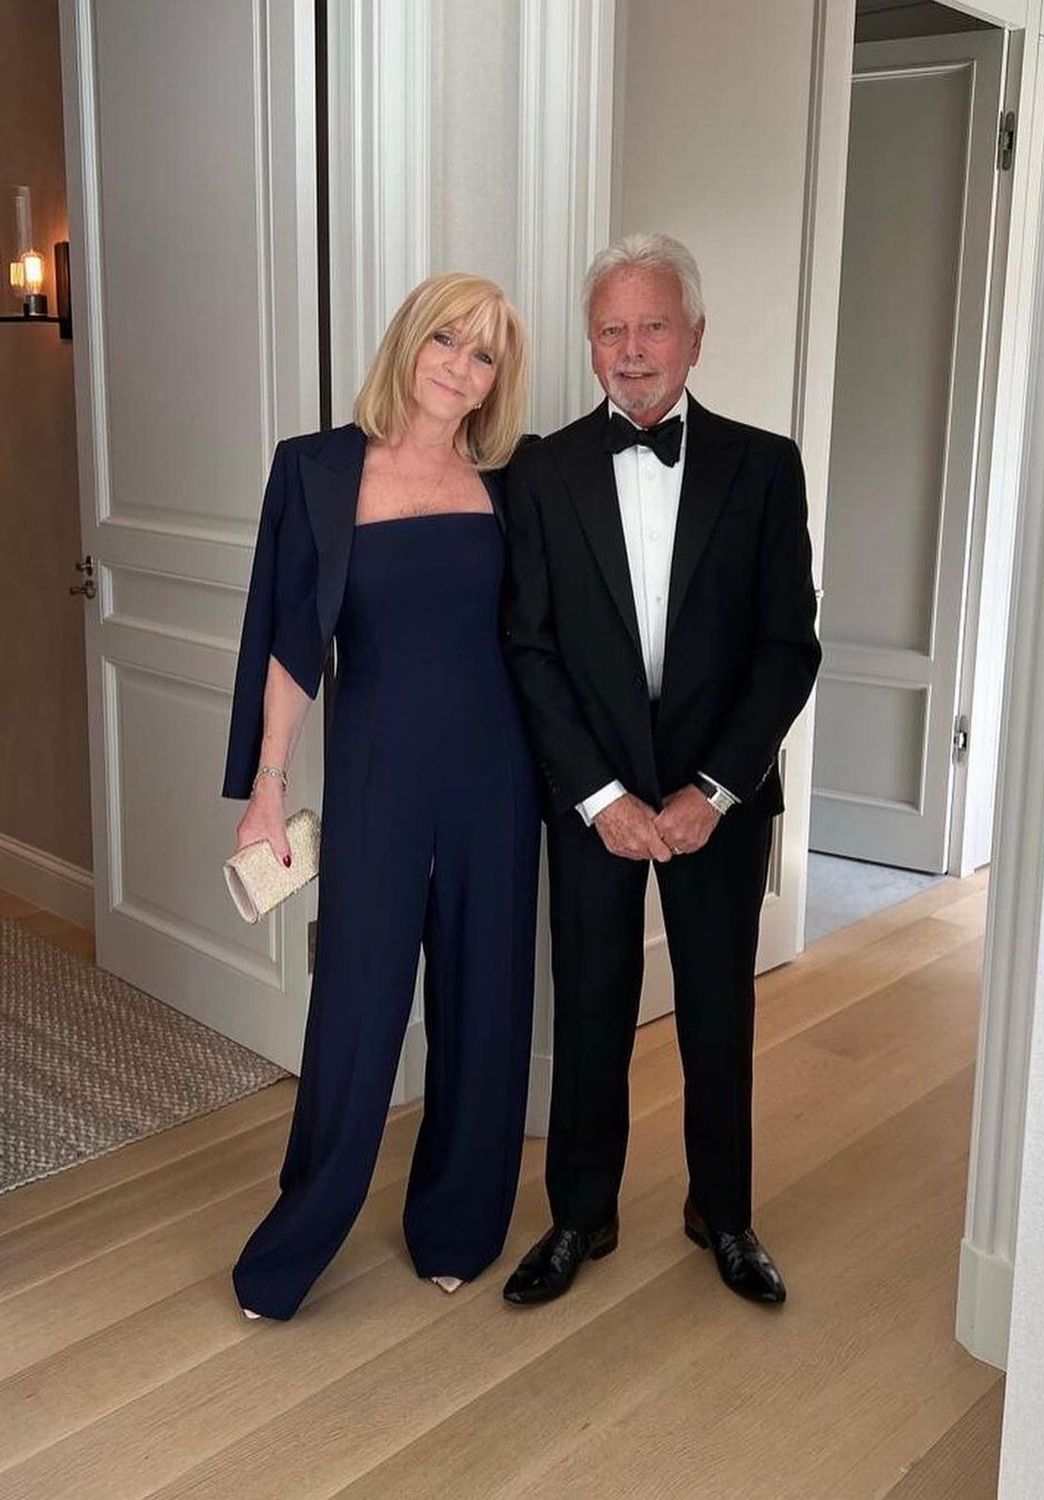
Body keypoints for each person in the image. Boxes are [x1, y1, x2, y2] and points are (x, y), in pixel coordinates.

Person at [500, 233, 821, 1307]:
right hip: (590, 800)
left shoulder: (764, 465)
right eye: (610, 330)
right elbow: (528, 645)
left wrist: (713, 791)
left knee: (718, 1008)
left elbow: (789, 646)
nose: (631, 350)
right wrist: (599, 797)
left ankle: (722, 1213)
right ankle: (579, 1216)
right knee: (590, 1004)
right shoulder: (541, 471)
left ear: (694, 336)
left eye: (652, 326)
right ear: (590, 344)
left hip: (716, 803)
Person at [221, 273, 540, 1319]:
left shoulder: (510, 478)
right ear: (408, 339)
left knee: (481, 992)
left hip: (498, 768)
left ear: (499, 379)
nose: (459, 363)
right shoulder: (316, 470)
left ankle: (456, 1222)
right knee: (358, 1001)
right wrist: (267, 789)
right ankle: (300, 1237)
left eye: (483, 352)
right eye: (446, 336)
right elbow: (287, 646)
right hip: (377, 773)